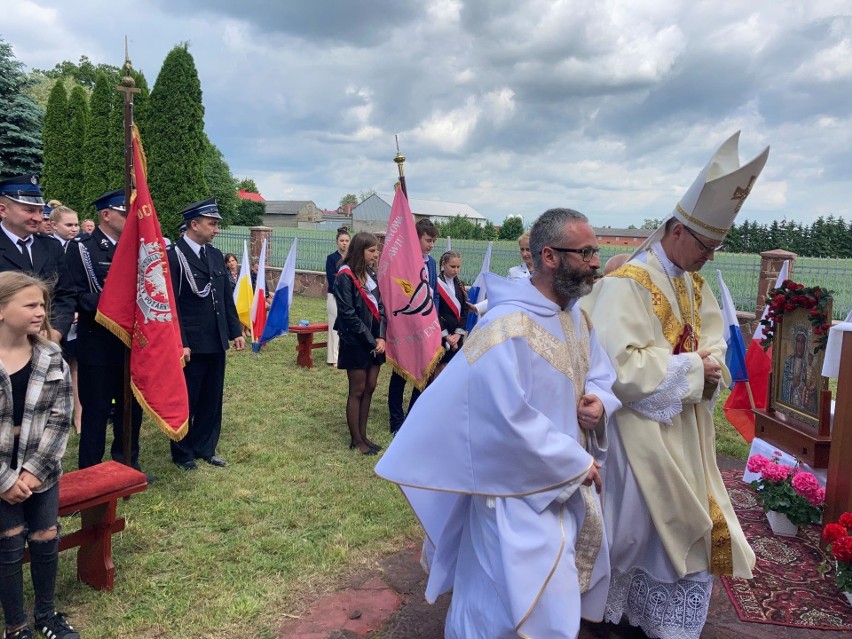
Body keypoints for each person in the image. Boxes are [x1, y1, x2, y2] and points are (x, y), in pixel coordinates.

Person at [376, 208, 620, 639]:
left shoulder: (579, 318)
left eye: (595, 252)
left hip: (562, 482)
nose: (595, 262)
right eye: (586, 252)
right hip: (510, 491)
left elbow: (600, 371)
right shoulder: (506, 325)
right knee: (502, 604)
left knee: (553, 599)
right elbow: (502, 415)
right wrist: (572, 462)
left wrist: (599, 400)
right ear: (549, 256)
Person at [585, 132, 768, 639]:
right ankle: (615, 618)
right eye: (705, 245)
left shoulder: (695, 283)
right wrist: (691, 371)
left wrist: (703, 368)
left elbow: (714, 346)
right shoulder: (626, 285)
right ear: (677, 230)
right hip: (641, 438)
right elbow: (620, 367)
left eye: (716, 247)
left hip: (686, 434)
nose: (709, 256)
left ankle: (655, 622)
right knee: (640, 529)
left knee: (687, 530)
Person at [0, 272, 80, 639]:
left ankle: (47, 614)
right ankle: (16, 625)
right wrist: (5, 479)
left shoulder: (50, 357)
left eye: (42, 305)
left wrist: (33, 472)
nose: (40, 312)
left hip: (40, 468)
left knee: (46, 534)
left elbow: (61, 418)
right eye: (30, 304)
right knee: (10, 539)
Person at [56, 189, 145, 472]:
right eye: (124, 213)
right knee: (96, 410)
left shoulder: (136, 248)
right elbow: (76, 294)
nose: (130, 218)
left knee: (131, 410)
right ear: (106, 215)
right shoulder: (82, 249)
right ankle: (91, 471)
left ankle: (127, 463)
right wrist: (117, 301)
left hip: (131, 343)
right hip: (97, 343)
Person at [167, 198, 244, 470]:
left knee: (212, 396)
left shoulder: (213, 254)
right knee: (188, 397)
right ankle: (183, 452)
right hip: (191, 342)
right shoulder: (174, 255)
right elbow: (172, 305)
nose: (216, 229)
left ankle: (205, 446)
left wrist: (235, 330)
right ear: (194, 224)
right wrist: (181, 342)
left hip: (215, 338)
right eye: (212, 224)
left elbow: (224, 296)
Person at [333, 232, 386, 455]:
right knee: (358, 389)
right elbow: (348, 313)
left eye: (377, 250)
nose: (376, 255)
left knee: (371, 387)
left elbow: (382, 307)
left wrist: (381, 336)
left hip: (376, 340)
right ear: (359, 250)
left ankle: (364, 435)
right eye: (371, 251)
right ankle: (356, 440)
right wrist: (371, 340)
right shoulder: (345, 276)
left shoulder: (372, 273)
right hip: (356, 340)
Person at [387, 218, 438, 434]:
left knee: (424, 373)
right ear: (416, 239)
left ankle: (413, 416)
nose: (431, 245)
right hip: (406, 326)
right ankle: (396, 420)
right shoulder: (404, 262)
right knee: (400, 373)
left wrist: (433, 320)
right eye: (428, 240)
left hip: (426, 325)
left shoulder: (432, 263)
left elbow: (433, 293)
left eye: (434, 241)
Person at [435, 250, 468, 376]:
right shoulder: (435, 283)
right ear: (444, 264)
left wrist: (458, 334)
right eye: (452, 266)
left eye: (458, 267)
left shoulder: (460, 285)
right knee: (439, 367)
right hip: (441, 333)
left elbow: (464, 310)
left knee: (453, 370)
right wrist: (446, 336)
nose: (456, 270)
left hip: (456, 334)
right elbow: (434, 311)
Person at [325, 227, 350, 367]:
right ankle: (333, 358)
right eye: (341, 241)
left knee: (347, 326)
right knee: (334, 327)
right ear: (337, 242)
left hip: (349, 298)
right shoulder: (331, 258)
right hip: (334, 296)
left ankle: (345, 355)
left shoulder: (352, 259)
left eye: (346, 241)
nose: (344, 243)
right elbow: (332, 278)